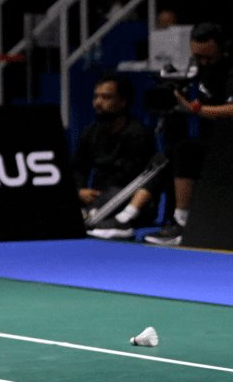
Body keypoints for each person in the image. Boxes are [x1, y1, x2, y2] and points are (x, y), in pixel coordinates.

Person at [145, 22, 233, 245]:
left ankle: (182, 224)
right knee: (168, 155)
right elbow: (202, 103)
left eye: (209, 58)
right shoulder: (203, 69)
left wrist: (197, 109)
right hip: (213, 141)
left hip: (228, 144)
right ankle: (128, 216)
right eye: (198, 57)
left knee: (185, 150)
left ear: (223, 48)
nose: (203, 62)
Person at [75, 73, 159, 239]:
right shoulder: (89, 132)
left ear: (123, 102)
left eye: (106, 97)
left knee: (115, 192)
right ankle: (88, 216)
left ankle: (92, 218)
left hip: (127, 202)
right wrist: (79, 191)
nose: (98, 102)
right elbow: (79, 169)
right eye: (96, 97)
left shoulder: (138, 135)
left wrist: (98, 199)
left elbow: (130, 182)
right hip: (96, 199)